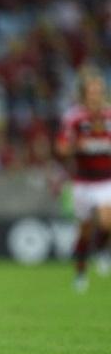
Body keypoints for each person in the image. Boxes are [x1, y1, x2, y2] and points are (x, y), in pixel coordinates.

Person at [56, 67, 111, 293]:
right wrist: (74, 147)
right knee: (85, 230)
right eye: (91, 91)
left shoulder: (109, 116)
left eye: (98, 91)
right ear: (84, 94)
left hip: (106, 179)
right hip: (82, 182)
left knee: (107, 222)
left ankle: (101, 251)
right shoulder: (74, 117)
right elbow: (61, 147)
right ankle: (80, 274)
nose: (95, 95)